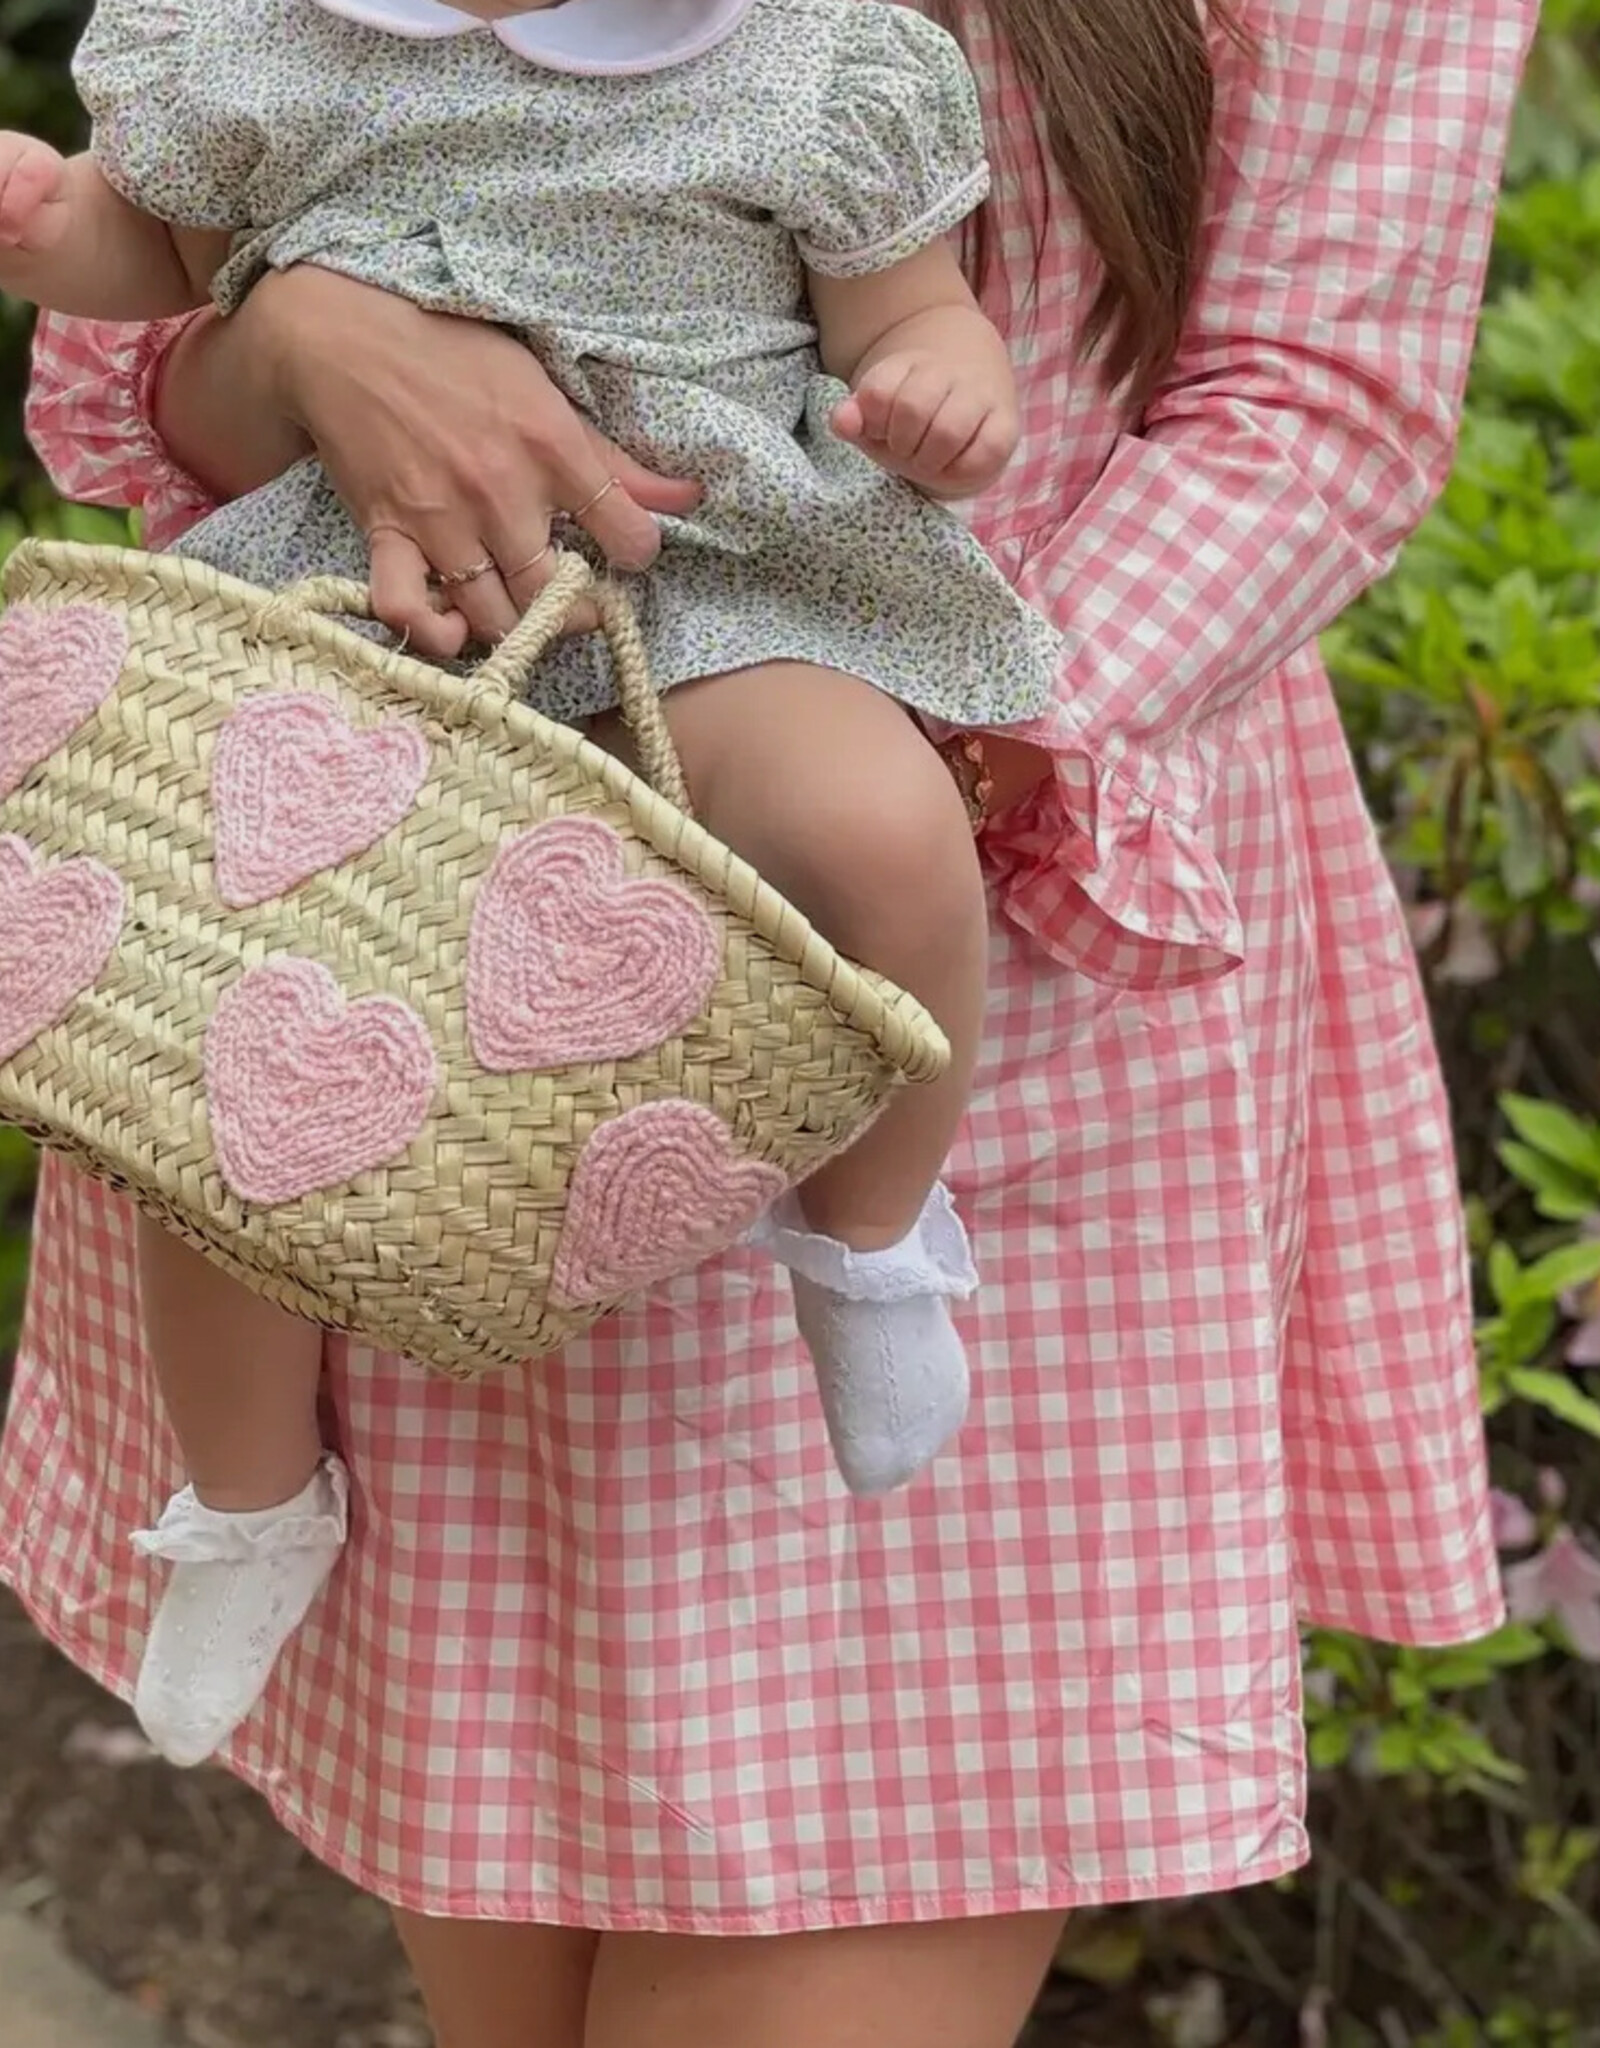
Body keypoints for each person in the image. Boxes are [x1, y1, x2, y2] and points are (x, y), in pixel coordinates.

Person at [0, 0, 1536, 2040]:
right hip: (430, 946)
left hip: (964, 987)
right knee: (512, 1975)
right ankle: (251, 1505)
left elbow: (1313, 395)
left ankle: (873, 1252)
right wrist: (304, 347)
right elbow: (133, 366)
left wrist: (904, 759)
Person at [0, 0, 1066, 1769]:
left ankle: (874, 1242)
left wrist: (952, 385)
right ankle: (247, 1501)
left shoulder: (809, 60)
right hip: (373, 581)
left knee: (885, 827)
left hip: (719, 569)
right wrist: (57, 228)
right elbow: (168, 256)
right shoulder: (275, 38)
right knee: (216, 1072)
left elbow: (913, 303)